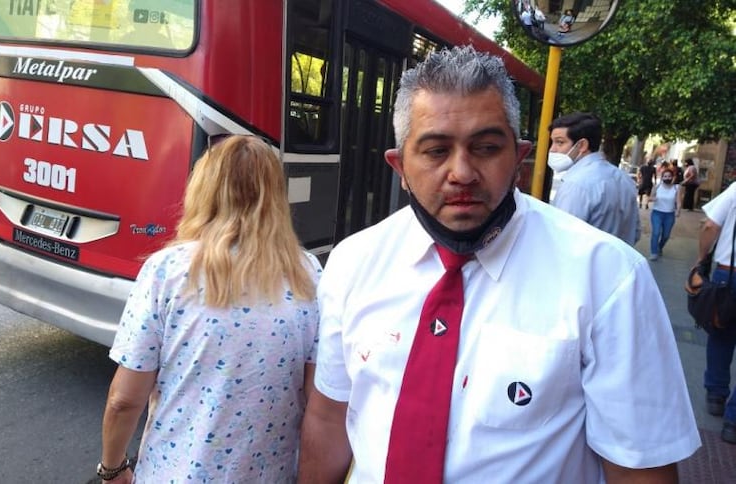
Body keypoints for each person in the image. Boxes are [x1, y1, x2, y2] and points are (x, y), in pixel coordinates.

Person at [298, 46, 699, 483]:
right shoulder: (353, 262)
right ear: (400, 167)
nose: (462, 172)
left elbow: (640, 470)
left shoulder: (608, 277)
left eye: (486, 148)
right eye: (435, 151)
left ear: (520, 159)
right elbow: (328, 418)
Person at [98, 136, 322, 483]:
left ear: (203, 189)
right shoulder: (308, 275)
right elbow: (318, 403)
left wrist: (112, 467)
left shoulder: (168, 270)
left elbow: (124, 400)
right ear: (276, 197)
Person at [548, 112, 641, 246]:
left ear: (582, 145)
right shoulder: (624, 179)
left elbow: (561, 241)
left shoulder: (576, 185)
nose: (552, 149)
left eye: (559, 142)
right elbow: (635, 232)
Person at [695, 181, 736, 444]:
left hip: (728, 273)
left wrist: (701, 259)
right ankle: (733, 423)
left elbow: (710, 225)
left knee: (721, 332)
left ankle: (716, 393)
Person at [647, 168, 682, 260]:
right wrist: (652, 199)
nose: (667, 178)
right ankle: (654, 252)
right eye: (665, 176)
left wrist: (678, 210)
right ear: (662, 177)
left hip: (669, 215)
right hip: (657, 213)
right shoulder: (657, 187)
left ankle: (659, 247)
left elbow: (678, 201)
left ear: (672, 177)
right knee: (656, 232)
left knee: (666, 235)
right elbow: (650, 198)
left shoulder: (676, 188)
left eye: (669, 176)